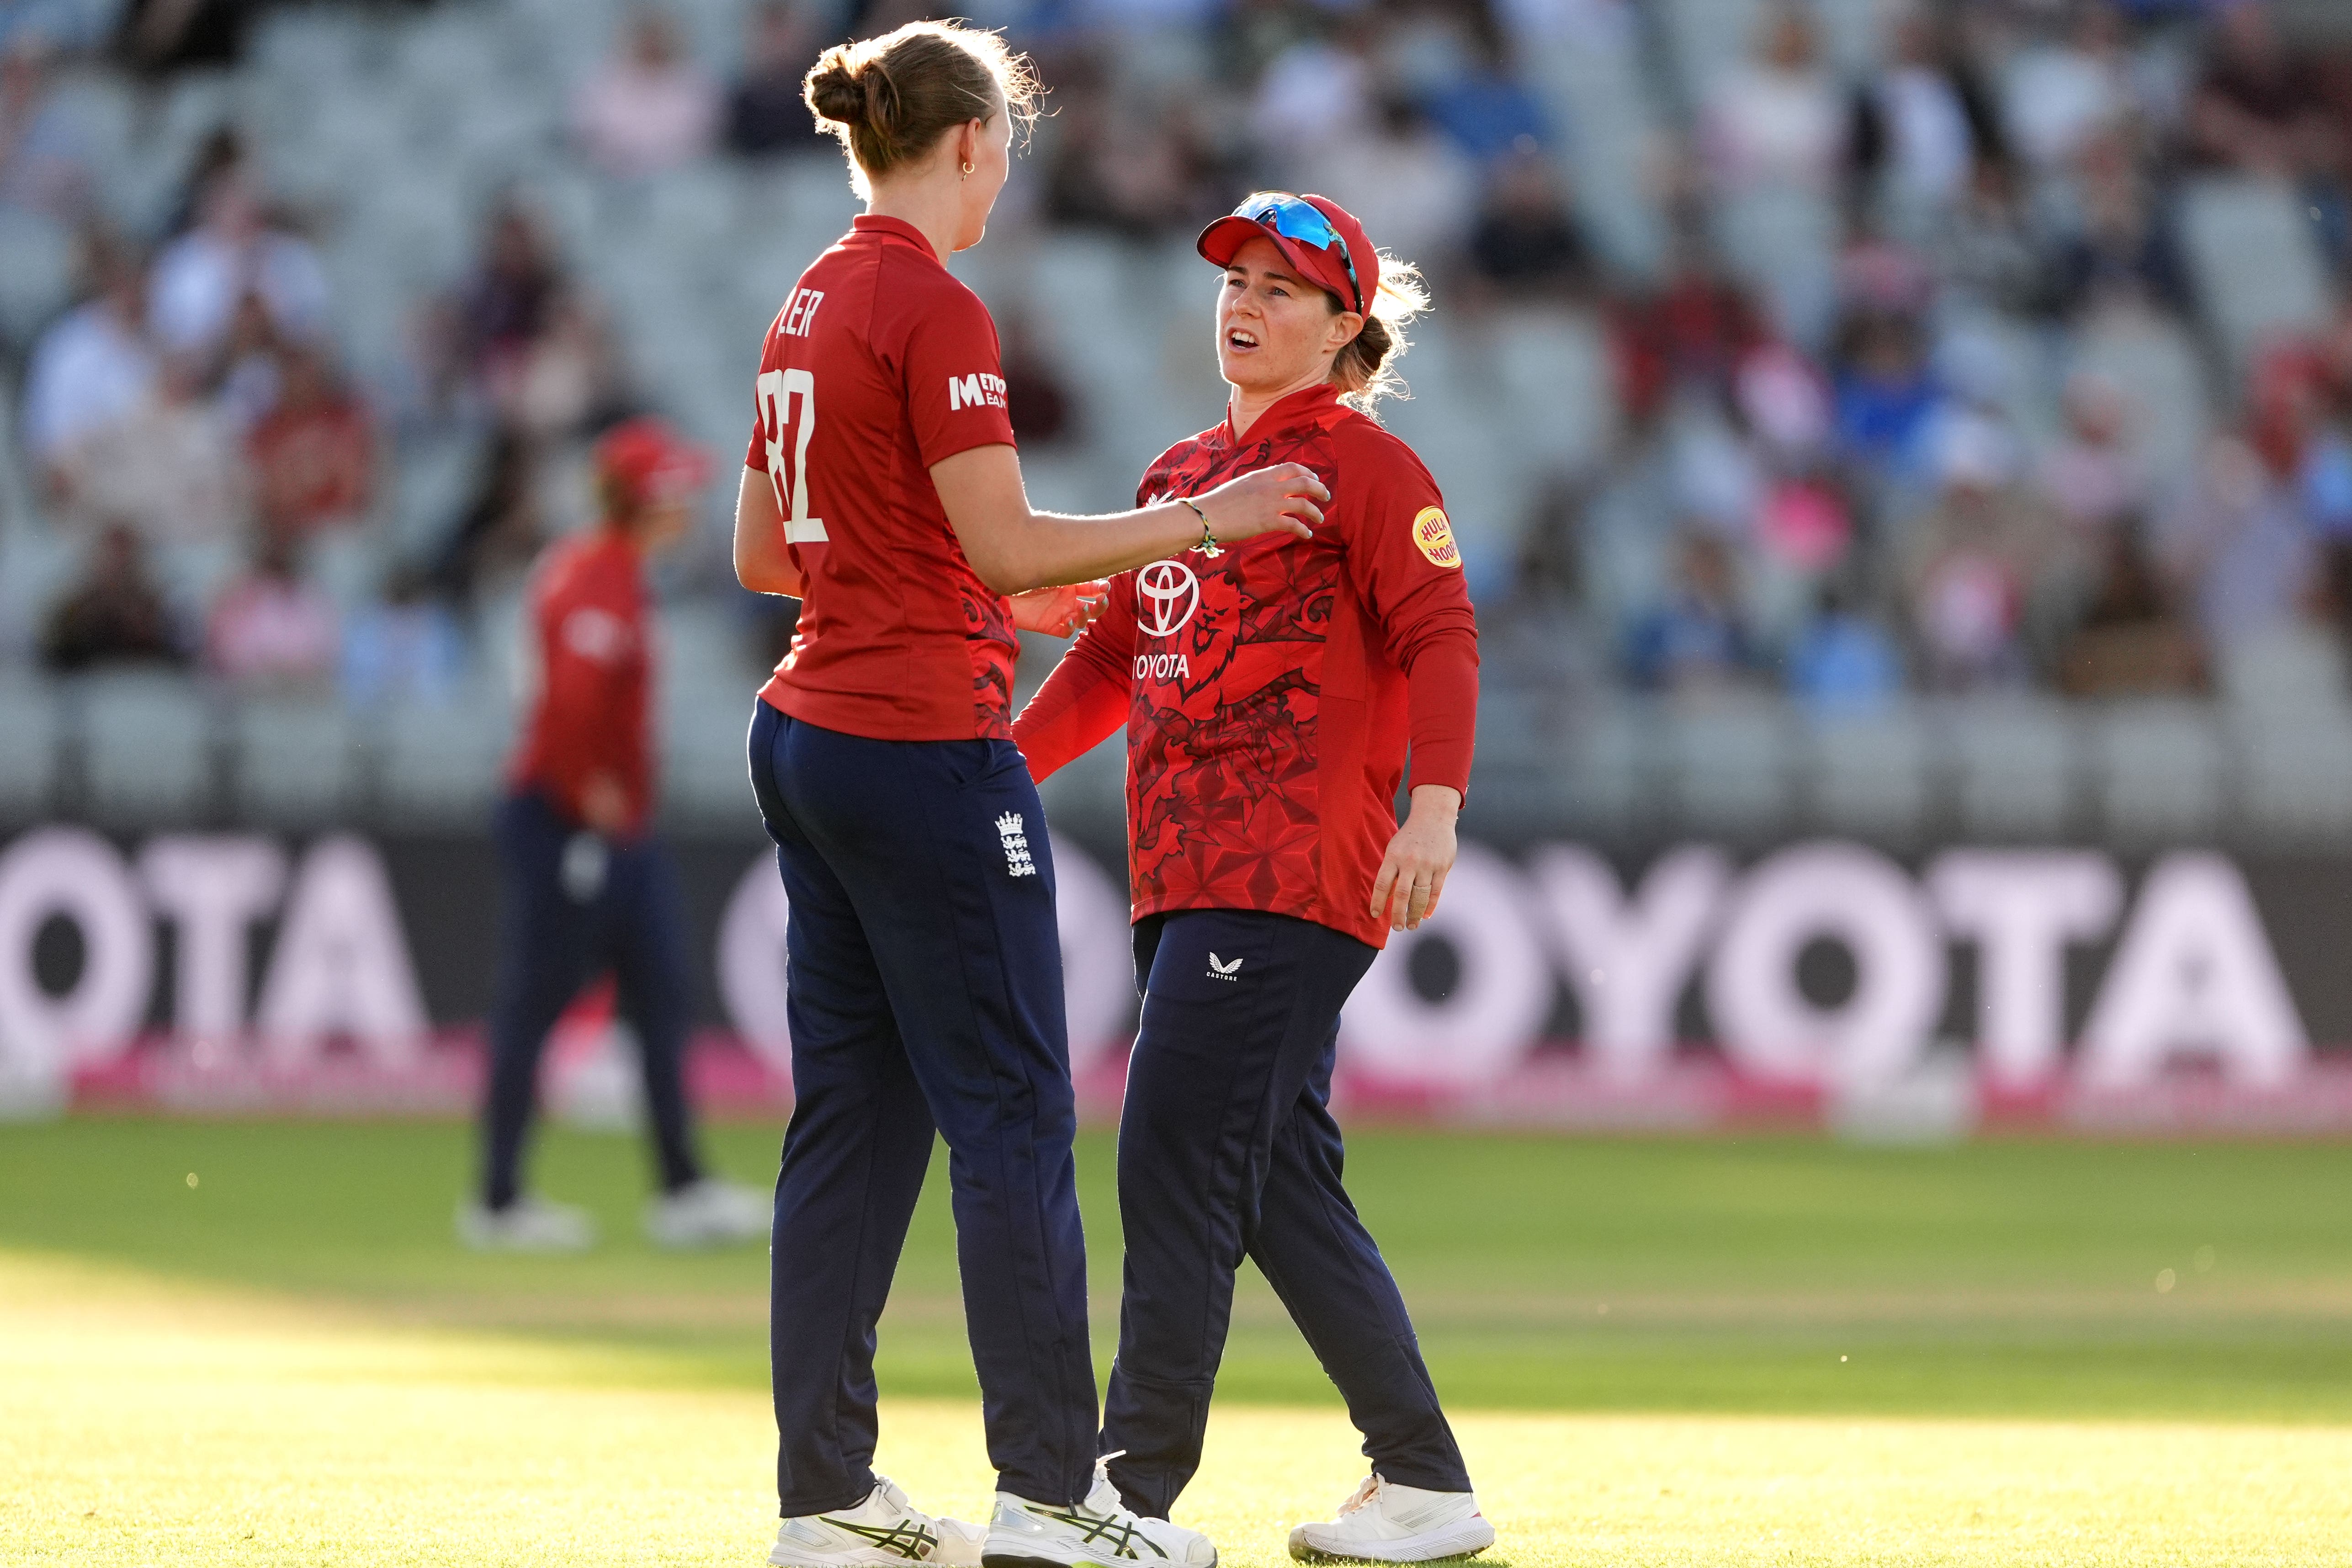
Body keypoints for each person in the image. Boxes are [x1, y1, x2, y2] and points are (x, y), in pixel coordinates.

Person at [728, 21, 1328, 1568]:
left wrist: (947, 588)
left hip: (804, 730)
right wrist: (1202, 516)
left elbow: (761, 554)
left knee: (848, 1127)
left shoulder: (807, 298)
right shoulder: (934, 305)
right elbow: (1001, 546)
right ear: (973, 143)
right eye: (1008, 143)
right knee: (1010, 1115)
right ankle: (1055, 1500)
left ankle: (825, 1499)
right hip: (924, 747)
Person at [1012, 191, 1495, 1563]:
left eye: (1284, 289)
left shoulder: (1364, 465)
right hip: (1187, 876)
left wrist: (1434, 812)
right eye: (1236, 278)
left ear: (1348, 326)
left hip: (1289, 874)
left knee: (1172, 1153)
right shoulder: (1178, 482)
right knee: (1274, 1179)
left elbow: (1442, 639)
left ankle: (1128, 1495)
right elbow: (1113, 662)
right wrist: (997, 767)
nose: (1244, 302)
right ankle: (1422, 1485)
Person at [459, 416, 770, 1255]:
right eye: (678, 489)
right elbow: (570, 709)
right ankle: (496, 1199)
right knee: (536, 1001)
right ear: (650, 499)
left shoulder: (612, 575)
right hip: (570, 822)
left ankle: (682, 1188)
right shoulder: (596, 583)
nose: (692, 505)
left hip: (608, 823)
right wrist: (590, 802)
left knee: (661, 995)